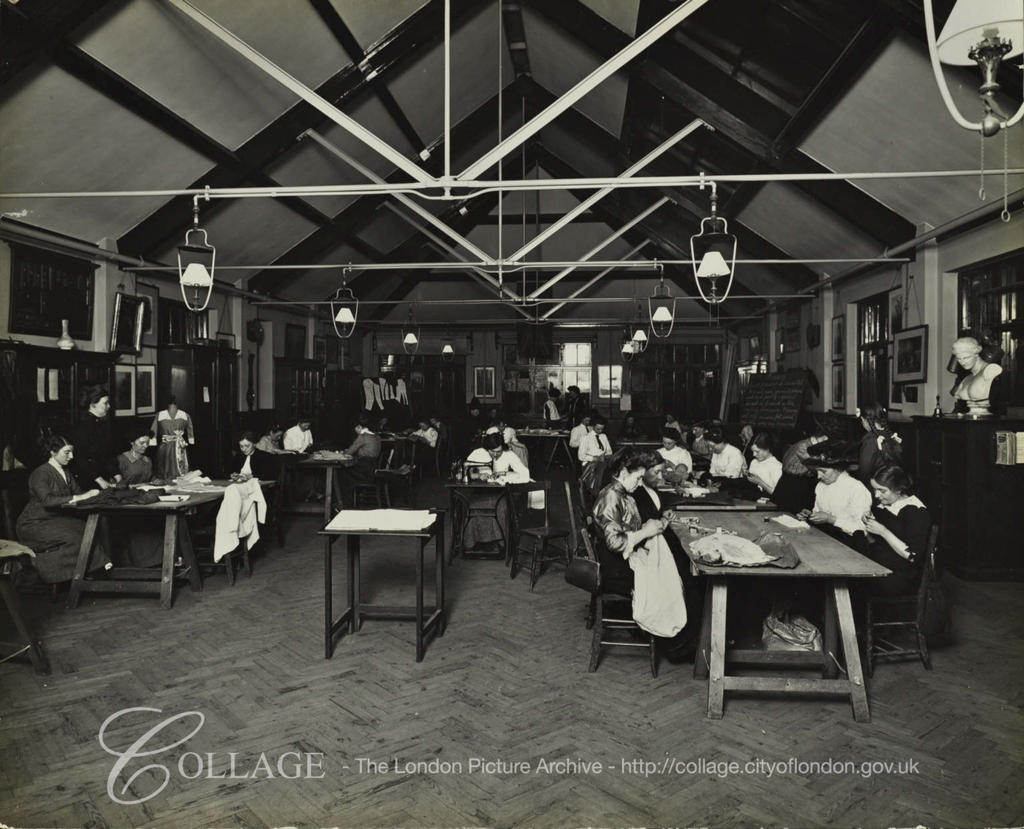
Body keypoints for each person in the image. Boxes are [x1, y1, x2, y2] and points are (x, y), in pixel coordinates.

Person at [591, 451, 687, 641]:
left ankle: (674, 638)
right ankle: (670, 641)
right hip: (615, 568)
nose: (638, 483)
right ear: (624, 473)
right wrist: (647, 532)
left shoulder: (623, 493)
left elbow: (627, 528)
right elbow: (615, 542)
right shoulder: (611, 497)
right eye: (637, 478)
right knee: (673, 578)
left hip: (622, 559)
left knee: (674, 572)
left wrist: (646, 526)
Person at [16, 435, 105, 583]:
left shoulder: (66, 472)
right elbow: (47, 500)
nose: (71, 456)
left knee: (89, 529)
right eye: (67, 452)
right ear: (52, 452)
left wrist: (94, 495)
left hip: (54, 519)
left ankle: (89, 571)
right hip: (34, 523)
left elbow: (78, 493)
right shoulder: (40, 473)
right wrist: (79, 497)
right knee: (76, 535)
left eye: (71, 452)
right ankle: (52, 570)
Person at [862, 464, 931, 595]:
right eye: (875, 489)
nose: (876, 495)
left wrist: (883, 531)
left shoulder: (915, 511)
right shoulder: (886, 506)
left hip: (901, 578)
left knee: (849, 583)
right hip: (883, 567)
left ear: (899, 490)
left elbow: (913, 557)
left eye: (882, 491)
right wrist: (869, 524)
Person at [460, 432, 530, 553]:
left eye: (499, 452)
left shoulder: (508, 454)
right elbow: (466, 472)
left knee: (501, 507)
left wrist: (507, 476)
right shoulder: (478, 453)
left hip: (500, 492)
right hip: (480, 492)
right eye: (493, 452)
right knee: (473, 506)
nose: (496, 455)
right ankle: (473, 542)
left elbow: (524, 472)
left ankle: (501, 542)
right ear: (487, 449)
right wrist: (478, 475)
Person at [797, 440, 873, 544]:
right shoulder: (821, 486)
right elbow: (819, 512)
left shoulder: (856, 488)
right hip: (825, 538)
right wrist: (811, 516)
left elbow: (863, 529)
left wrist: (831, 519)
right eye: (817, 471)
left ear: (838, 468)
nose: (819, 476)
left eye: (823, 471)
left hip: (849, 544)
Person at [114, 427, 166, 568]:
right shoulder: (122, 460)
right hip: (128, 501)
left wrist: (157, 480)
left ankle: (158, 562)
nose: (145, 446)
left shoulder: (147, 460)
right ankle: (142, 564)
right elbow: (116, 485)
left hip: (145, 500)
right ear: (132, 442)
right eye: (142, 443)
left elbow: (151, 477)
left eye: (147, 443)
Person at [71, 387, 121, 489]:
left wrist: (118, 475)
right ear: (93, 404)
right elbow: (81, 459)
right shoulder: (81, 428)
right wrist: (99, 479)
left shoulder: (103, 425)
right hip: (88, 481)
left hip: (104, 479)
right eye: (105, 403)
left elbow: (108, 455)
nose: (109, 406)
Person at [950, 335, 1004, 416]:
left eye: (966, 357)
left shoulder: (990, 370)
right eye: (959, 359)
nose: (962, 362)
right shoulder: (967, 378)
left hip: (984, 420)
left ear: (976, 354)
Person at [856, 403, 902, 485]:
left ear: (864, 420)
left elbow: (864, 471)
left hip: (875, 486)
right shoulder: (891, 435)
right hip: (892, 483)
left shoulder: (870, 440)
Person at [151, 398, 194, 480]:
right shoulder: (160, 415)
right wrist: (152, 441)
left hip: (180, 445)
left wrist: (191, 439)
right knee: (164, 466)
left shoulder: (185, 415)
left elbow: (190, 428)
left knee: (180, 467)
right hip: (165, 445)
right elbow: (154, 428)